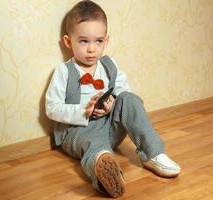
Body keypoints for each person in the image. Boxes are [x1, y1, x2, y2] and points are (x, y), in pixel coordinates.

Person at [45, 0, 180, 198]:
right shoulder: (64, 71)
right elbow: (52, 108)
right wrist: (84, 110)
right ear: (68, 42)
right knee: (94, 144)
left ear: (106, 41)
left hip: (109, 127)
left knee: (130, 98)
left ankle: (153, 153)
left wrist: (111, 104)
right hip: (78, 131)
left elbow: (123, 92)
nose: (92, 49)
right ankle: (103, 169)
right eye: (83, 41)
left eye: (98, 41)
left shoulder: (109, 65)